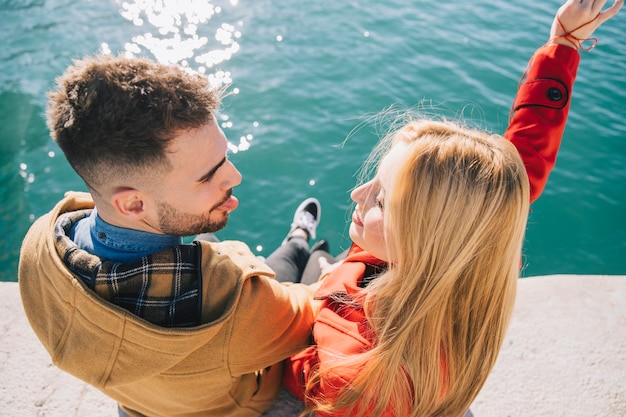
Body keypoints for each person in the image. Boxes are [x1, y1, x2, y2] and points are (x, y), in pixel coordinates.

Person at [282, 1, 623, 416]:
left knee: (287, 264)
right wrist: (562, 46)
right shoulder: (478, 246)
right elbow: (521, 164)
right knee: (319, 256)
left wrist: (282, 339)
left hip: (324, 300)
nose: (357, 193)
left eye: (383, 199)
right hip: (360, 269)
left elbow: (299, 374)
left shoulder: (359, 369)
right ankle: (303, 240)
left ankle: (299, 237)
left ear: (429, 233)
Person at [17, 51, 325, 417]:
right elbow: (313, 315)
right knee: (320, 269)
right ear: (133, 205)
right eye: (209, 174)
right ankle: (300, 239)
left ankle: (298, 237)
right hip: (238, 403)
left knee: (210, 244)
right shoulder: (229, 302)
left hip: (142, 405)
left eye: (224, 157)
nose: (235, 177)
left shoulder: (38, 247)